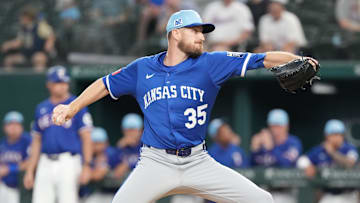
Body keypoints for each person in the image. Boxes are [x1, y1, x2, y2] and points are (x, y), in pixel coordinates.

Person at [51, 9, 318, 203]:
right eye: (195, 31)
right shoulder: (142, 68)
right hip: (155, 162)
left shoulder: (211, 63)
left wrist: (299, 58)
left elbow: (262, 58)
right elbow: (104, 84)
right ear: (175, 33)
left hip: (198, 161)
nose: (201, 37)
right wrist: (71, 107)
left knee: (262, 200)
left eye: (202, 32)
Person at [23, 66, 93, 203]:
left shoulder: (77, 105)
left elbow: (86, 137)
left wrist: (87, 165)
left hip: (68, 161)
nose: (62, 86)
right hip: (45, 162)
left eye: (64, 82)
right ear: (49, 84)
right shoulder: (41, 108)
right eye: (58, 82)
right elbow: (36, 141)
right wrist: (30, 170)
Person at [297, 119, 359, 203]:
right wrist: (308, 166)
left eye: (338, 135)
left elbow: (350, 163)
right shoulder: (320, 150)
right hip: (329, 195)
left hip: (348, 194)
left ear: (342, 136)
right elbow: (302, 160)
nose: (336, 138)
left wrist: (332, 152)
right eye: (333, 135)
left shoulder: (348, 148)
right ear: (326, 136)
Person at [250, 109, 302, 203]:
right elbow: (251, 168)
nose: (276, 129)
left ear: (286, 126)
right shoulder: (264, 144)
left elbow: (285, 165)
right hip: (265, 190)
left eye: (279, 126)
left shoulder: (293, 143)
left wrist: (271, 148)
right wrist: (255, 151)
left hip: (287, 192)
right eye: (273, 126)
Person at [1, 6, 56, 72]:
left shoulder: (40, 26)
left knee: (38, 59)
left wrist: (49, 44)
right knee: (8, 60)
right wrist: (8, 45)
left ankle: (37, 80)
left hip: (39, 53)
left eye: (22, 17)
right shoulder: (23, 29)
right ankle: (10, 81)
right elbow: (18, 42)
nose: (20, 19)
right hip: (26, 55)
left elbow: (51, 36)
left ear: (27, 17)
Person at [0, 111, 32, 203]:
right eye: (10, 124)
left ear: (21, 127)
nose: (13, 127)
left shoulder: (27, 140)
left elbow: (31, 162)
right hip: (5, 187)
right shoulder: (3, 143)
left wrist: (10, 169)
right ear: (4, 127)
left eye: (17, 124)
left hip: (23, 189)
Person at [85, 127, 123, 203]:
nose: (97, 146)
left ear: (106, 143)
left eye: (100, 143)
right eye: (95, 143)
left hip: (114, 192)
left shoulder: (111, 153)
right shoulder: (87, 155)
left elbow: (98, 175)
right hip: (96, 193)